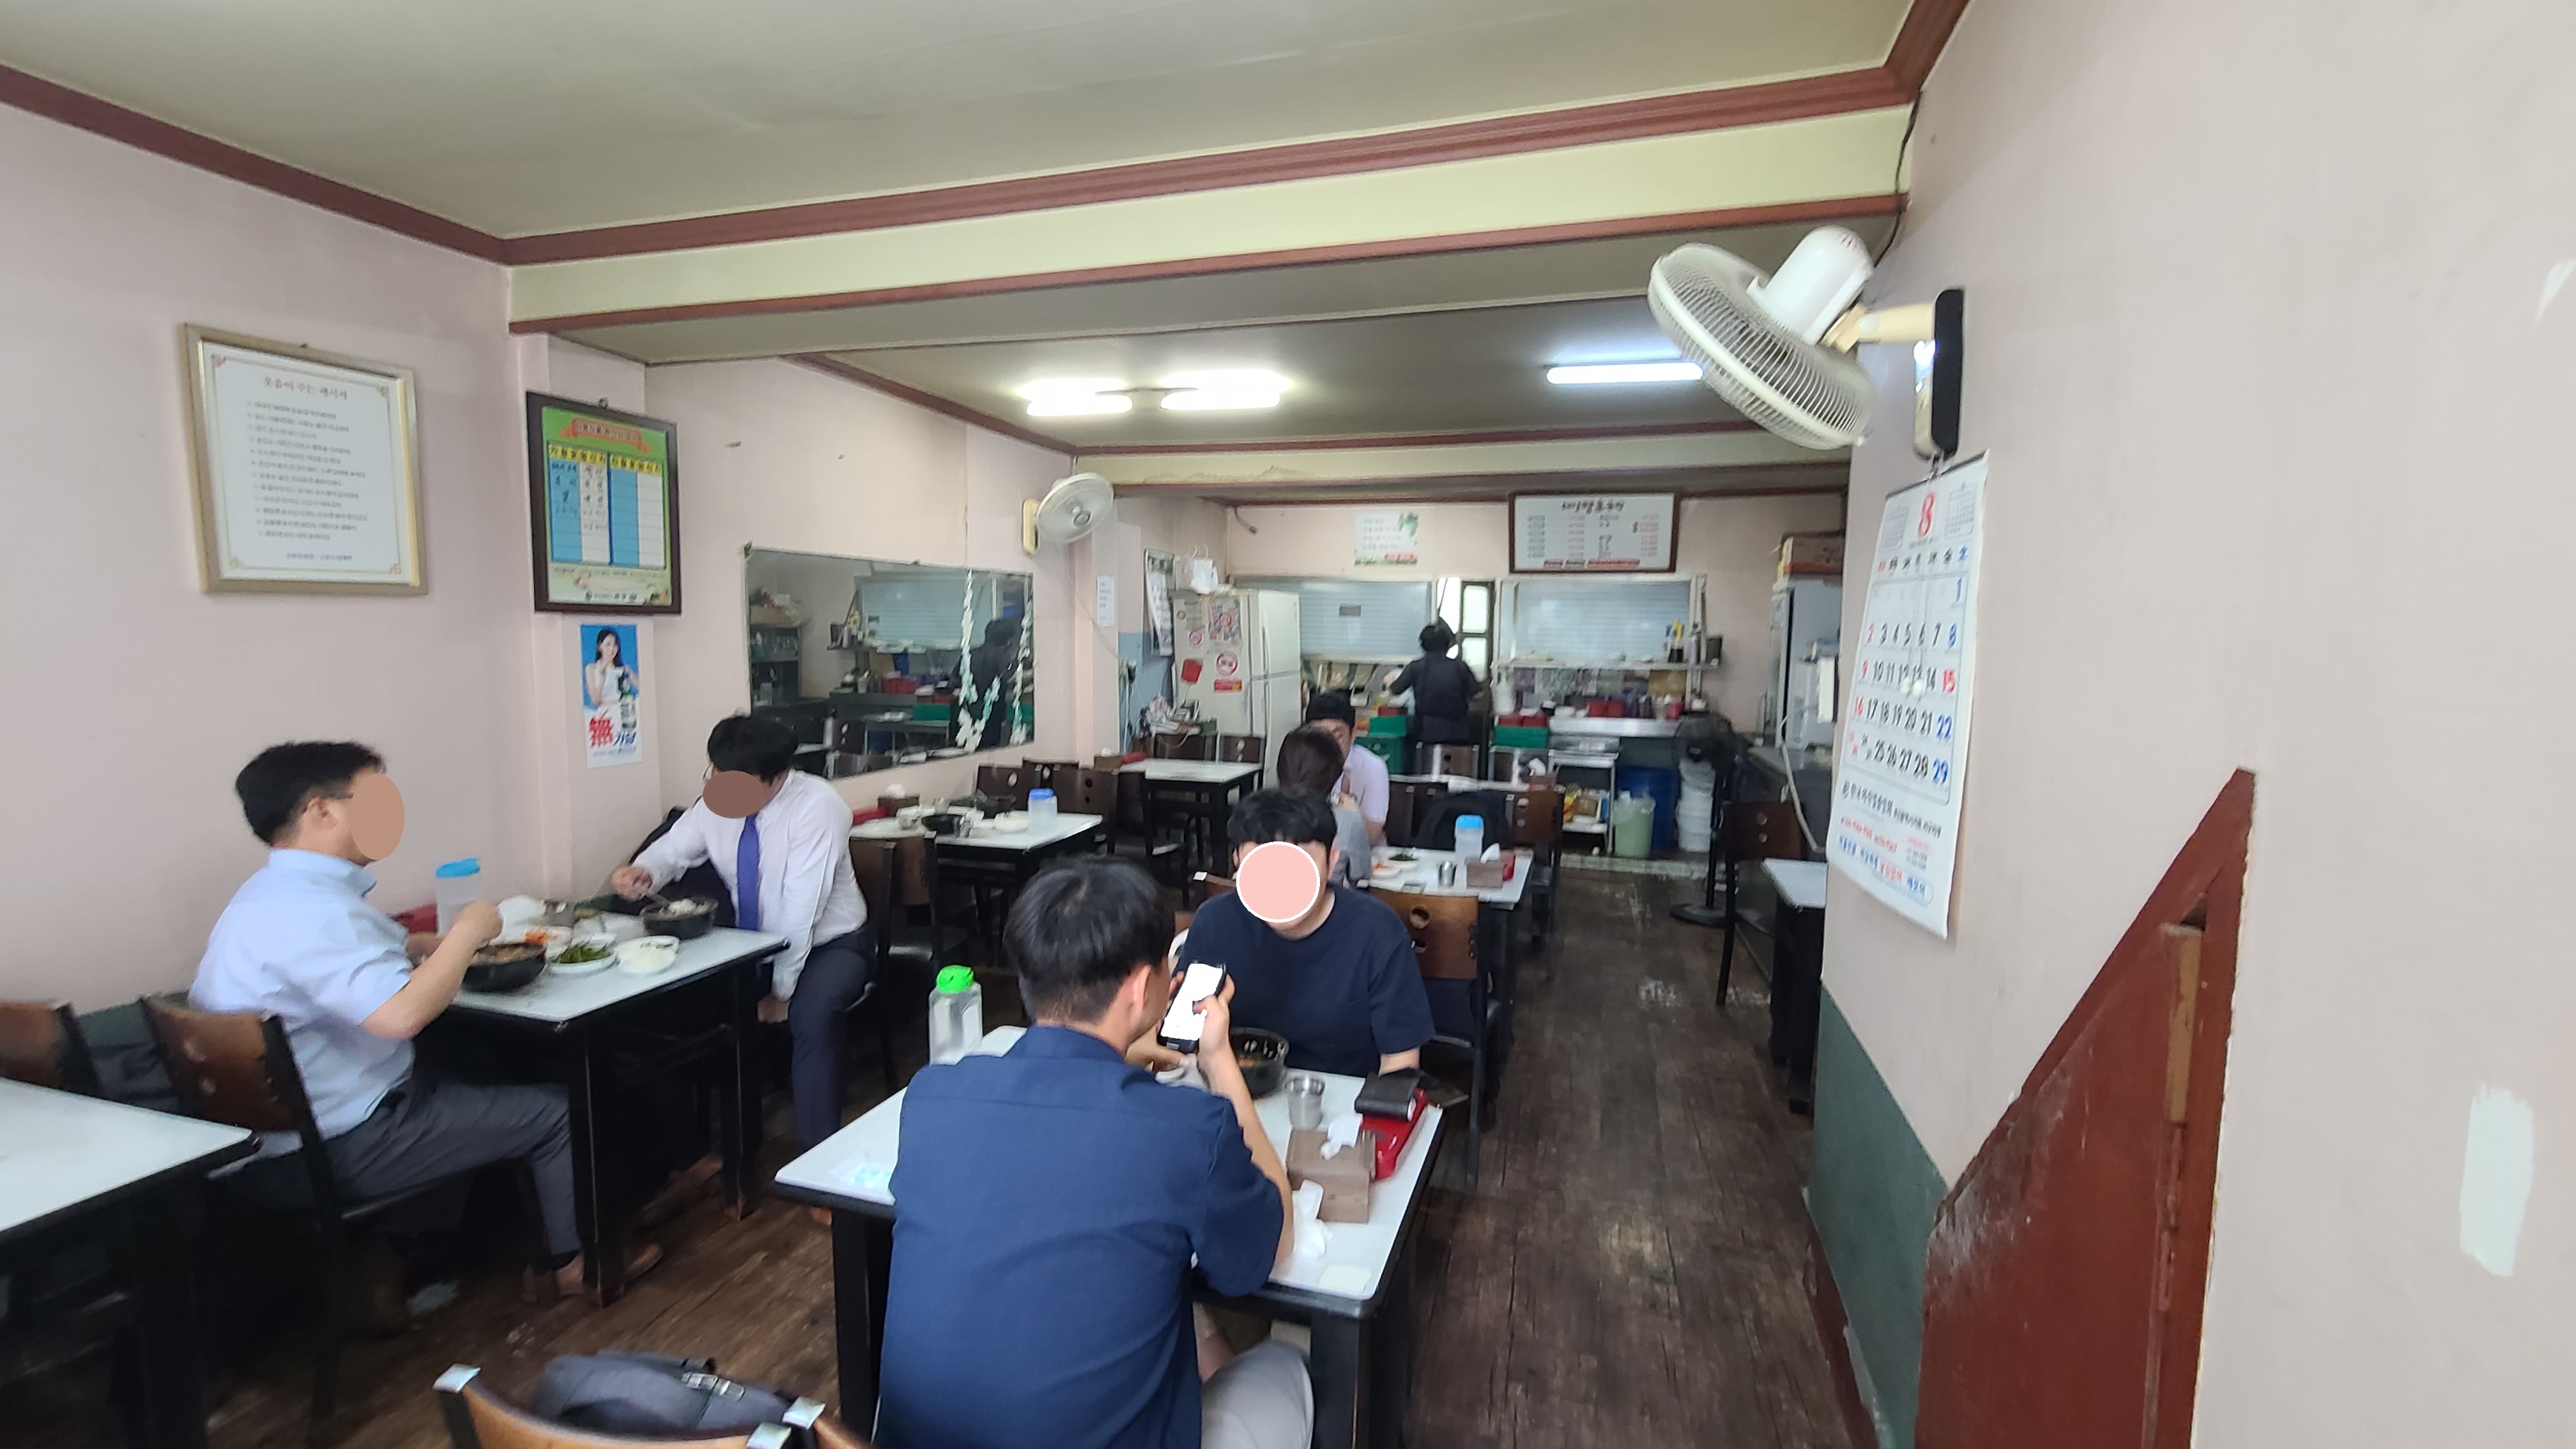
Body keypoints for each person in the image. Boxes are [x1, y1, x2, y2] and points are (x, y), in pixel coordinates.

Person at [192, 742, 654, 1301]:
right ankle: (574, 1264)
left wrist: (429, 944)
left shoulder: (272, 895)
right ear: (322, 811)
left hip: (284, 1136)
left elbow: (373, 951)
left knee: (481, 1065)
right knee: (559, 1110)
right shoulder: (314, 912)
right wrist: (468, 930)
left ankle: (402, 1255)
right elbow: (402, 1015)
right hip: (333, 1149)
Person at [880, 858, 1310, 1449]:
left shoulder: (932, 1096)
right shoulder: (1188, 1129)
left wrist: (1123, 1050)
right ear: (1140, 986)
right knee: (1290, 1362)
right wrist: (1217, 1060)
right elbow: (1272, 1243)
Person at [611, 714, 870, 1151]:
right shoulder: (718, 801)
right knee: (666, 1011)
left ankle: (819, 1159)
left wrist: (781, 992)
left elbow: (800, 912)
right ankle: (699, 1153)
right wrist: (644, 871)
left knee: (811, 1016)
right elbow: (674, 849)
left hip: (833, 945)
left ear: (779, 777)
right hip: (749, 949)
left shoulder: (818, 808)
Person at [1175, 790, 1432, 1080]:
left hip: (1341, 1099)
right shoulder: (1215, 921)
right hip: (1233, 1089)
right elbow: (1183, 1034)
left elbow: (1400, 1062)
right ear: (1238, 861)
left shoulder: (1378, 933)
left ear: (1331, 861)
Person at [1272, 724, 1370, 889]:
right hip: (1326, 903)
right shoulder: (1347, 818)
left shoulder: (1260, 814)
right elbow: (1361, 876)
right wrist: (1353, 813)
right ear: (1333, 774)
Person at [1301, 691, 1386, 846]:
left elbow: (1372, 834)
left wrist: (1348, 814)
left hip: (1365, 853)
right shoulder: (1301, 762)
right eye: (1321, 736)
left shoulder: (1373, 767)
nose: (1329, 744)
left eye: (1338, 736)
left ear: (1353, 734)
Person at [1383, 620, 1481, 749]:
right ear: (1448, 645)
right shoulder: (1460, 666)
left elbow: (1395, 690)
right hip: (1458, 732)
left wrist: (1389, 682)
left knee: (1425, 761)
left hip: (1426, 733)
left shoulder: (1416, 667)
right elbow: (1478, 694)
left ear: (1423, 646)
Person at [583, 627, 636, 710]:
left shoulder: (624, 669)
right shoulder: (591, 668)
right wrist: (602, 678)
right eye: (608, 645)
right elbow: (595, 701)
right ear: (600, 646)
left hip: (623, 709)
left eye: (615, 645)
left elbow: (643, 688)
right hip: (605, 711)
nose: (612, 649)